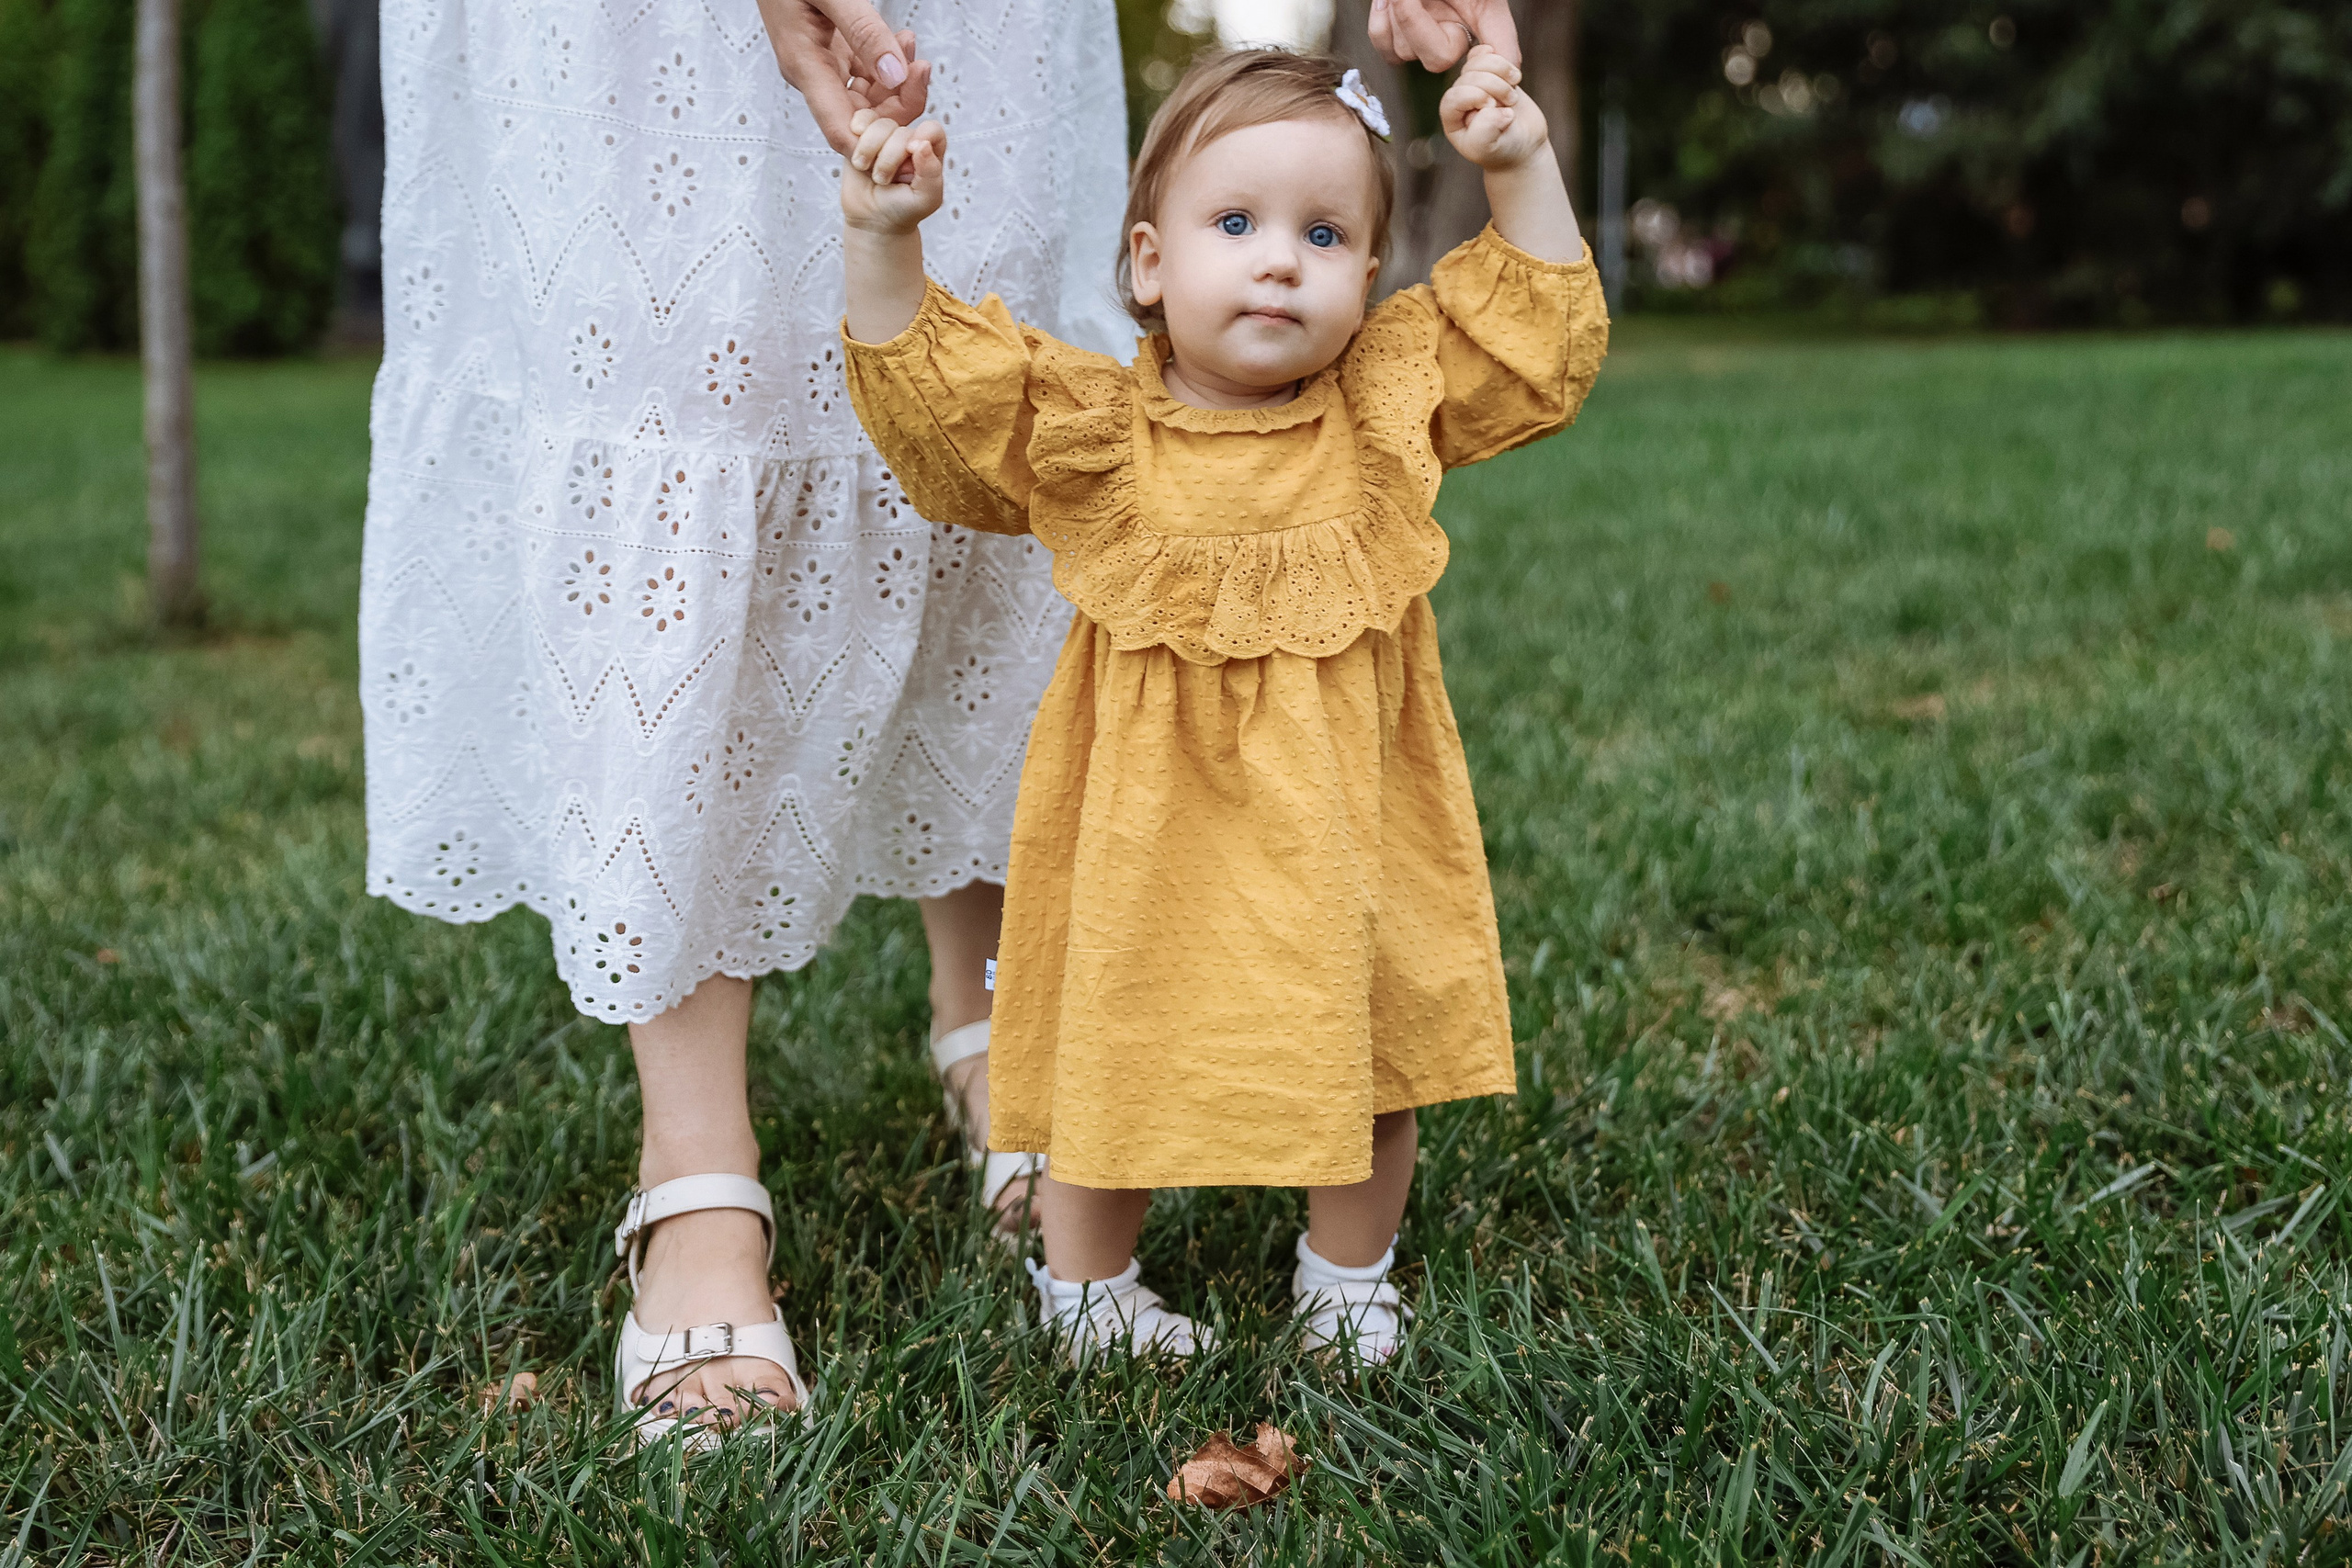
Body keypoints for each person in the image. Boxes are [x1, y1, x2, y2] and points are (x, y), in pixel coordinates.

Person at [836, 42, 1605, 1364]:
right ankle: (1089, 1291)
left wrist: (1520, 162)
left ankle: (1347, 1276)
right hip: (1149, 844)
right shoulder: (1097, 433)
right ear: (1149, 263)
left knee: (1372, 1042)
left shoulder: (1383, 406)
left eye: (1324, 234)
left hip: (1345, 829)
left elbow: (1535, 342)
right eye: (1235, 224)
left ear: (1370, 276)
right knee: (1114, 1047)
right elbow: (939, 408)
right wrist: (882, 237)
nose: (1279, 262)